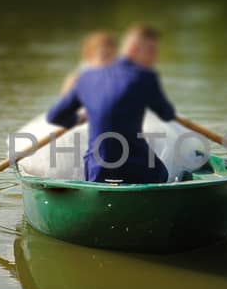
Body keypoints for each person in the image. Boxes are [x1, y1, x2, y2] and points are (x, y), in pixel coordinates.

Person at [46, 23, 175, 184]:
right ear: (133, 50)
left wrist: (75, 120)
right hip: (137, 166)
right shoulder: (145, 77)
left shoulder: (85, 77)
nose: (154, 57)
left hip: (97, 170)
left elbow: (55, 116)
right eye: (151, 51)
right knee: (163, 173)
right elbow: (166, 113)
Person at [59, 30, 117, 95]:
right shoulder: (75, 78)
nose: (105, 61)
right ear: (89, 56)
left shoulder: (121, 73)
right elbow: (66, 100)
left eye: (109, 55)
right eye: (103, 55)